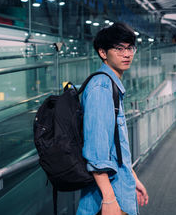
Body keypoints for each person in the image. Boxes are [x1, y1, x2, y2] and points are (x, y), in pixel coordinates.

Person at [76, 22, 149, 215]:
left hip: (119, 189)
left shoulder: (111, 86)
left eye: (130, 48)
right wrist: (108, 199)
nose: (127, 54)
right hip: (107, 198)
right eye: (119, 49)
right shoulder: (102, 87)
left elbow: (116, 148)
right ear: (102, 52)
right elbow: (96, 153)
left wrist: (133, 179)